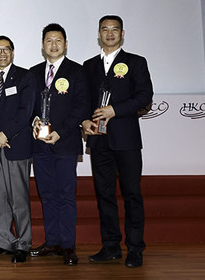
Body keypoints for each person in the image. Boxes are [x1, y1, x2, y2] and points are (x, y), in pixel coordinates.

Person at [82, 15, 153, 268]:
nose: (110, 33)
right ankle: (111, 246)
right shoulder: (88, 66)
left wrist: (115, 110)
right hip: (99, 142)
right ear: (98, 34)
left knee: (132, 194)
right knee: (104, 195)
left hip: (127, 141)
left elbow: (145, 96)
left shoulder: (135, 62)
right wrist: (83, 121)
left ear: (122, 34)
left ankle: (135, 248)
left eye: (115, 30)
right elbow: (82, 101)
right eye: (105, 29)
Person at [29, 24, 88, 266]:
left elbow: (81, 107)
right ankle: (52, 241)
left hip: (64, 144)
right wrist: (32, 119)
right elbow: (28, 104)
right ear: (42, 45)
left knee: (65, 195)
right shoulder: (32, 73)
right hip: (40, 145)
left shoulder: (77, 71)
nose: (53, 45)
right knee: (47, 195)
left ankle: (68, 245)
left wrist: (60, 133)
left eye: (58, 40)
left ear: (65, 44)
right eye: (49, 40)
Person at [0, 36, 36, 263]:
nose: (2, 53)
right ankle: (4, 240)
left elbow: (26, 110)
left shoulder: (25, 76)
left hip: (16, 145)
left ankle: (23, 243)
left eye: (6, 49)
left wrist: (6, 134)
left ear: (13, 52)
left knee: (19, 197)